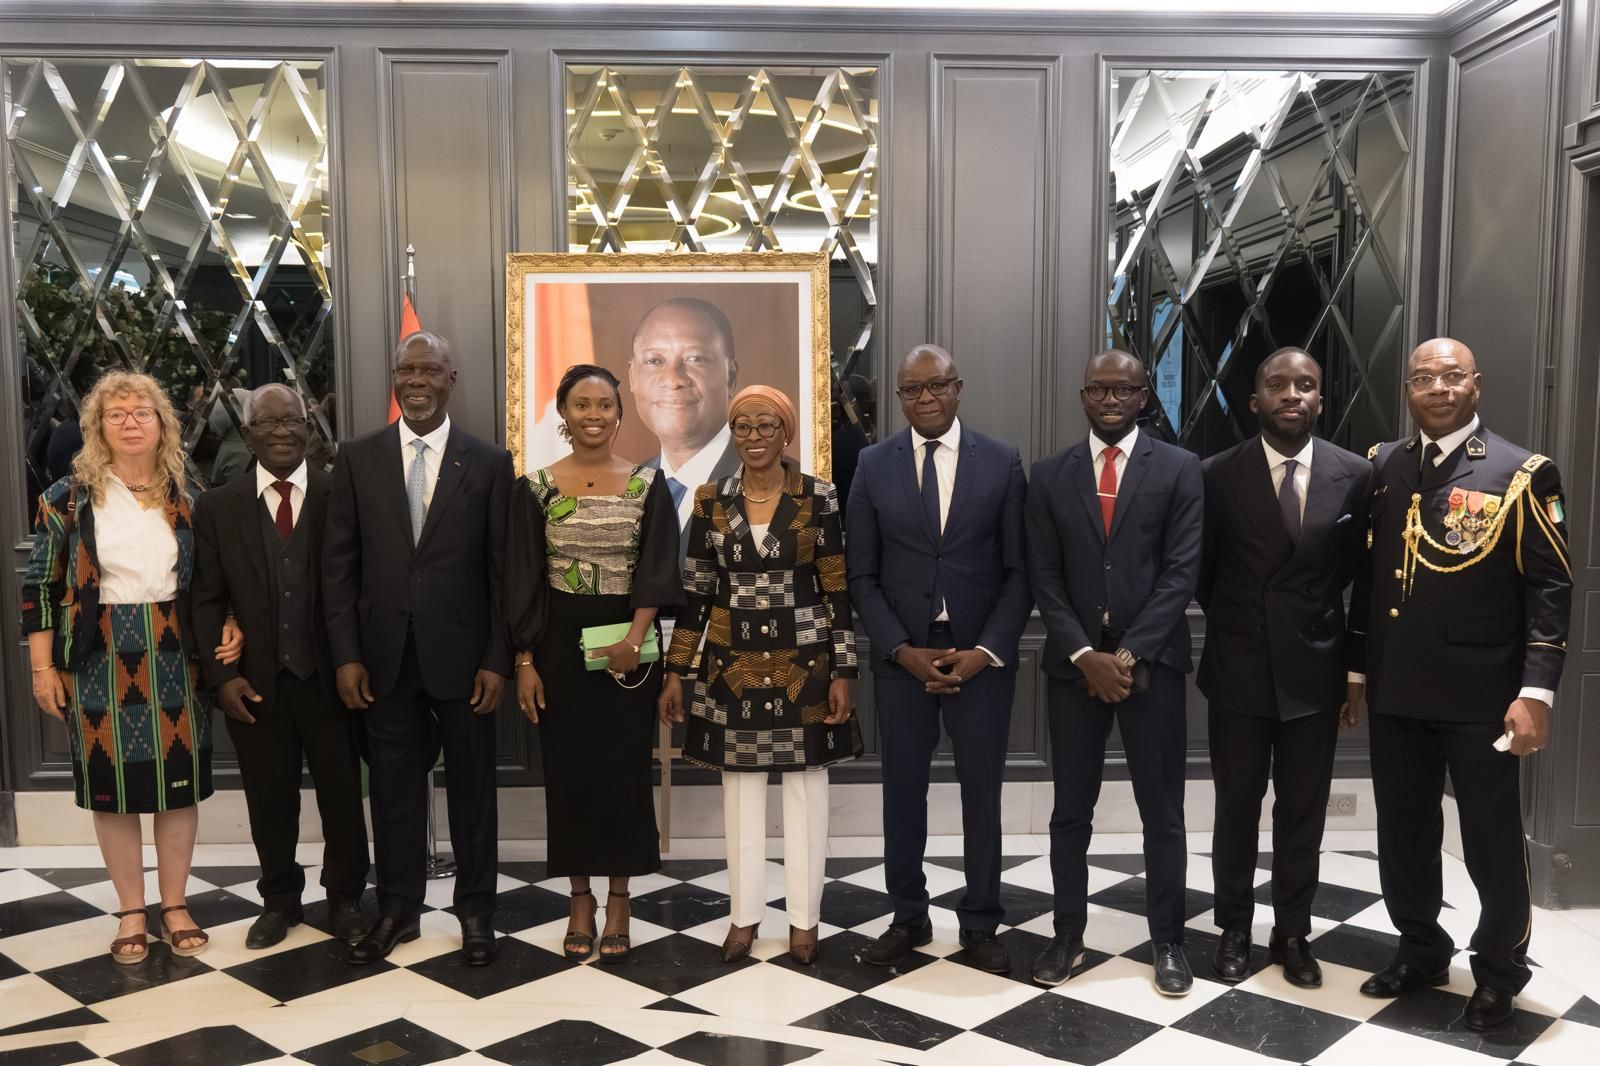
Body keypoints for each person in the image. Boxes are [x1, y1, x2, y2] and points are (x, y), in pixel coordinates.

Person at [1347, 337, 1570, 1030]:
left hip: (1483, 696)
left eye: (1451, 377)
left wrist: (1536, 692)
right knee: (1404, 832)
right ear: (1408, 390)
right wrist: (1357, 669)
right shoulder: (1384, 463)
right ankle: (1420, 949)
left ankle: (1499, 970)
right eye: (1423, 378)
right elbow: (1370, 578)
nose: (1437, 389)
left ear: (1476, 384)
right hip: (1397, 690)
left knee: (1490, 841)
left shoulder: (1522, 472)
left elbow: (1551, 589)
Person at [21, 370, 242, 964]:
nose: (130, 423)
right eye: (115, 414)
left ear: (162, 424)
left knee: (177, 786)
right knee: (111, 788)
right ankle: (131, 911)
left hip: (175, 649)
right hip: (97, 652)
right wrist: (43, 668)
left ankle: (176, 906)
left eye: (142, 412)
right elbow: (40, 587)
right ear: (97, 427)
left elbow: (216, 577)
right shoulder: (66, 498)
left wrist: (229, 620)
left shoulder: (187, 494)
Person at [323, 331, 513, 967]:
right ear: (395, 377)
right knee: (393, 791)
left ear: (451, 379)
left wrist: (497, 658)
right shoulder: (358, 458)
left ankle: (476, 912)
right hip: (383, 659)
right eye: (407, 370)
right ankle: (397, 909)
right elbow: (339, 567)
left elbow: (502, 572)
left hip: (466, 660)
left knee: (473, 791)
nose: (417, 381)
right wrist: (347, 655)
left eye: (430, 370)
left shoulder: (489, 462)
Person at [659, 386, 862, 966]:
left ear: (786, 432)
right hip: (732, 669)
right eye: (742, 427)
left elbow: (836, 589)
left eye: (765, 426)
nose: (753, 437)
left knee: (806, 796)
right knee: (740, 797)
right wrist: (677, 671)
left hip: (806, 666)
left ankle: (804, 922)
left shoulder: (817, 496)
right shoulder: (711, 499)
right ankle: (743, 918)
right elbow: (697, 593)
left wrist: (843, 670)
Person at [846, 344, 1032, 975]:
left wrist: (986, 651)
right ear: (898, 397)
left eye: (936, 386)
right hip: (903, 661)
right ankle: (908, 916)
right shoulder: (873, 464)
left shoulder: (1002, 461)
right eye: (911, 389)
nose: (924, 398)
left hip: (979, 660)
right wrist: (899, 649)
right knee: (903, 794)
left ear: (958, 387)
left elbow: (1020, 571)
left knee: (982, 795)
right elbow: (861, 575)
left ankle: (980, 921)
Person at [1026, 350, 1203, 995]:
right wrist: (1084, 655)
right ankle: (1066, 934)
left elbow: (1182, 572)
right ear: (1083, 396)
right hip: (1074, 668)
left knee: (1163, 812)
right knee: (1071, 811)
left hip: (1151, 665)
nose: (1110, 399)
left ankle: (1169, 942)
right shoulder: (1049, 475)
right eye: (1098, 389)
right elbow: (1044, 576)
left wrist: (1124, 658)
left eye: (1123, 389)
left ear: (1143, 397)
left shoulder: (1180, 468)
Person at [1196, 349, 1373, 988]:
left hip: (1315, 671)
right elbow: (1202, 573)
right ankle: (1234, 927)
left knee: (1303, 812)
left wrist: (1351, 670)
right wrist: (1244, 623)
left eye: (1305, 385)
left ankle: (1293, 932)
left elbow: (1356, 574)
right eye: (1278, 385)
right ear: (1256, 401)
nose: (1292, 394)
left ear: (1321, 399)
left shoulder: (1355, 474)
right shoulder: (1217, 473)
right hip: (1238, 668)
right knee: (1237, 809)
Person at [508, 364, 681, 962]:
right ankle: (579, 899)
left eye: (604, 405)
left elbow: (657, 566)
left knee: (623, 773)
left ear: (619, 413)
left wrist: (635, 639)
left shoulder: (646, 484)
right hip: (556, 647)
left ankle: (620, 899)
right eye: (581, 404)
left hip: (629, 646)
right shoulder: (534, 487)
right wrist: (525, 659)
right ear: (563, 413)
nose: (593, 415)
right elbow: (523, 577)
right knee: (570, 775)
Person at [190, 383, 372, 950]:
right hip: (255, 682)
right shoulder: (218, 506)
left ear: (308, 429)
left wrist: (356, 660)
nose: (282, 433)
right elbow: (206, 598)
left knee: (342, 796)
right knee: (269, 800)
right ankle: (280, 900)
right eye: (268, 424)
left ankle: (345, 899)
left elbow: (364, 584)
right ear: (248, 435)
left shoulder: (342, 494)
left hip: (331, 678)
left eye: (292, 421)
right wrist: (222, 677)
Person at [628, 298, 741, 539]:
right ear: (632, 377)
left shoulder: (785, 488)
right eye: (654, 361)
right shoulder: (623, 492)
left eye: (695, 359)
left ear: (730, 377)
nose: (673, 379)